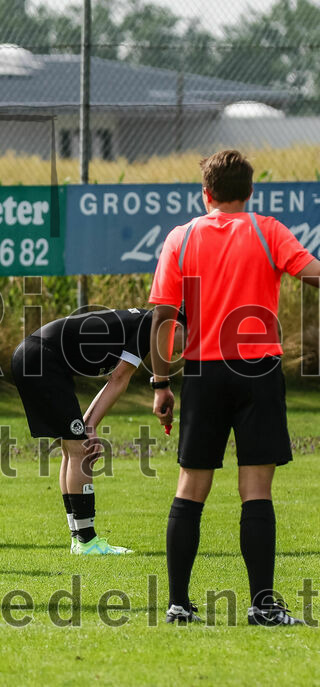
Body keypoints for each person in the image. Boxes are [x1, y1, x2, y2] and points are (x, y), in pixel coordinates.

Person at [149, 149, 318, 626]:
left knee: (191, 486)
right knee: (256, 489)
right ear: (250, 192)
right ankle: (263, 604)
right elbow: (313, 275)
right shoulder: (269, 231)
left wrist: (161, 383)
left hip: (203, 374)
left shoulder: (180, 238)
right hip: (257, 373)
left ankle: (178, 602)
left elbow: (163, 316)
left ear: (206, 194)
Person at [12, 307, 165, 555]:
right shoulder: (151, 325)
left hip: (33, 356)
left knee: (72, 450)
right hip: (41, 359)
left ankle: (79, 538)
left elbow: (115, 380)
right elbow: (119, 379)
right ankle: (87, 542)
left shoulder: (147, 321)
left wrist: (88, 425)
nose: (182, 351)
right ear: (176, 327)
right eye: (188, 340)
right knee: (80, 451)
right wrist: (89, 426)